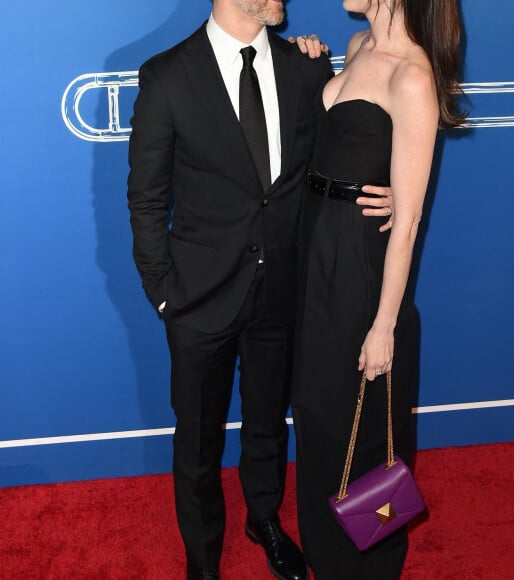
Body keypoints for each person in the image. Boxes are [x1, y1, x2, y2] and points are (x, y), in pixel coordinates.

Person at [127, 1, 393, 579]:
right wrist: (165, 293)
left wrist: (395, 191)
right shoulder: (168, 75)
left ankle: (264, 518)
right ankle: (203, 561)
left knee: (268, 421)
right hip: (198, 299)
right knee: (196, 442)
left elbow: (341, 157)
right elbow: (147, 198)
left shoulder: (306, 69)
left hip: (282, 290)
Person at [291, 0, 466, 578]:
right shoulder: (361, 46)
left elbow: (408, 222)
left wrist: (385, 324)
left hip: (360, 275)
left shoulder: (412, 75)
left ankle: (365, 567)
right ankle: (323, 557)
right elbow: (348, 143)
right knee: (317, 418)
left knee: (360, 433)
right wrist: (314, 61)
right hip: (316, 256)